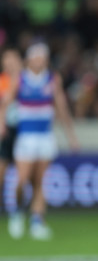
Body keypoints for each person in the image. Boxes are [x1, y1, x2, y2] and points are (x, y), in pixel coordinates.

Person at [0, 42, 79, 240]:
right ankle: (17, 212)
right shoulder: (21, 79)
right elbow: (7, 102)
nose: (39, 60)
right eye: (36, 57)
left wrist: (71, 136)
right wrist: (1, 123)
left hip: (45, 136)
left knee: (40, 181)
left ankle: (37, 220)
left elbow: (61, 108)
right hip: (26, 136)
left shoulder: (53, 79)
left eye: (42, 57)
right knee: (22, 179)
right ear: (30, 59)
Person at [0, 49, 23, 233]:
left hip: (24, 132)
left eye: (11, 59)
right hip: (6, 132)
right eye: (5, 60)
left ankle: (19, 212)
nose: (8, 63)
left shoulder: (26, 80)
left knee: (23, 177)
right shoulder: (2, 81)